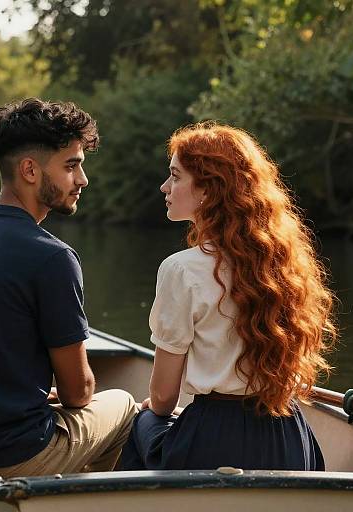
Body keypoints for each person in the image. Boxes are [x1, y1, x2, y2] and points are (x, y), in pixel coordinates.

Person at [0, 98, 137, 478]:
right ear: (30, 170)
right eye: (71, 166)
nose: (82, 180)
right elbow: (78, 394)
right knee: (126, 405)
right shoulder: (52, 257)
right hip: (12, 456)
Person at [120, 122, 336, 471]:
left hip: (217, 438)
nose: (164, 187)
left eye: (175, 176)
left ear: (208, 189)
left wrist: (162, 412)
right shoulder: (286, 264)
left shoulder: (182, 269)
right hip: (289, 434)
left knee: (142, 421)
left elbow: (162, 398)